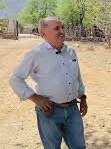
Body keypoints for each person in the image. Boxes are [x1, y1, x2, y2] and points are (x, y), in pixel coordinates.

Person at [9, 17, 87, 149]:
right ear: (43, 34)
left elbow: (77, 77)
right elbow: (15, 78)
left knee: (79, 146)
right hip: (50, 111)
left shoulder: (71, 51)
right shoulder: (36, 54)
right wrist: (36, 98)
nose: (62, 31)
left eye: (62, 27)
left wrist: (83, 97)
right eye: (57, 28)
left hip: (73, 109)